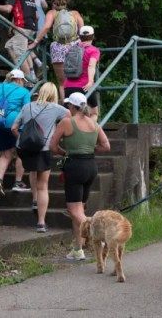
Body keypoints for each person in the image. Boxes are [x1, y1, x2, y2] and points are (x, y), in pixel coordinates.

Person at [49, 92, 110, 260]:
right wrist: (89, 149)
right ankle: (77, 249)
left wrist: (65, 152)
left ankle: (99, 235)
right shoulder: (94, 123)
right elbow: (106, 146)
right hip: (91, 167)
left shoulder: (67, 122)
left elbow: (52, 146)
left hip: (74, 167)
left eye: (68, 105)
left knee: (73, 209)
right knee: (79, 208)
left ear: (72, 107)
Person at [11, 82, 69, 233]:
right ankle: (41, 223)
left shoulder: (27, 106)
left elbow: (14, 128)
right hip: (43, 149)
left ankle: (35, 200)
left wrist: (23, 140)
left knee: (32, 170)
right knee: (43, 185)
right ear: (54, 94)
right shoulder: (57, 109)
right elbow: (71, 120)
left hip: (25, 149)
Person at [29, 0, 85, 100]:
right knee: (76, 79)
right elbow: (82, 30)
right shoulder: (75, 13)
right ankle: (78, 105)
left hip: (58, 48)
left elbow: (46, 27)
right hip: (74, 47)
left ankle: (65, 106)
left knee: (62, 82)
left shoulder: (52, 13)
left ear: (54, 1)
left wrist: (35, 42)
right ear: (67, 1)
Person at [63, 25, 101, 120]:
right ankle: (89, 133)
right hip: (84, 86)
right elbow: (91, 65)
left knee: (69, 114)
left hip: (68, 86)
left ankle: (71, 132)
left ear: (79, 37)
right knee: (94, 113)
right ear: (93, 36)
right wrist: (90, 81)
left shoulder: (71, 49)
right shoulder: (93, 50)